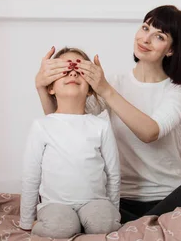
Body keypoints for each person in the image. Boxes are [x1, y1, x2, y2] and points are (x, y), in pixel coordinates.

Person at [35, 5, 181, 224]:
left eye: (159, 36)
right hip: (118, 199)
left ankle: (137, 226)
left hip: (168, 196)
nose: (146, 39)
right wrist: (41, 87)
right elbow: (64, 123)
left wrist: (105, 89)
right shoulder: (115, 83)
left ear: (170, 50)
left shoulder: (178, 88)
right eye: (145, 28)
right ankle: (147, 226)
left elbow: (150, 132)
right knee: (61, 196)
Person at [21, 48, 122, 238]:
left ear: (91, 88)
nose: (73, 73)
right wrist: (26, 222)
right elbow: (31, 176)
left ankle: (90, 221)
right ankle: (60, 223)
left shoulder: (101, 126)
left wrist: (113, 211)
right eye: (64, 71)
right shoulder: (41, 126)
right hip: (55, 205)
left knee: (104, 224)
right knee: (61, 227)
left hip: (94, 202)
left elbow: (113, 173)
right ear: (50, 87)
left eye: (79, 71)